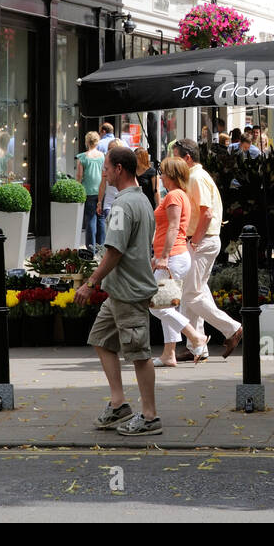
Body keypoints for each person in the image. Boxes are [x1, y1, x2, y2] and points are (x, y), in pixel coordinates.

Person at [78, 145, 163, 436]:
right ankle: (118, 404)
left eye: (106, 168)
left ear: (119, 170)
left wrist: (91, 283)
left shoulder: (124, 205)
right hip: (119, 292)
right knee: (101, 338)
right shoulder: (142, 201)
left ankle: (150, 416)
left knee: (139, 354)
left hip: (129, 292)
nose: (103, 174)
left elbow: (114, 250)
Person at [172, 139, 243, 358]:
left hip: (202, 239)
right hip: (202, 239)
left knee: (191, 294)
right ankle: (197, 346)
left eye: (176, 157)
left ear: (187, 158)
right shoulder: (197, 176)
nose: (173, 162)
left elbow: (206, 213)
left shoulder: (195, 177)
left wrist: (194, 241)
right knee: (195, 291)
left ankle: (231, 328)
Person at [148, 156, 210, 367]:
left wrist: (163, 256)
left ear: (171, 175)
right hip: (174, 256)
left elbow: (173, 227)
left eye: (163, 172)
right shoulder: (179, 194)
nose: (161, 176)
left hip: (173, 257)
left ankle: (195, 337)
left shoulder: (174, 196)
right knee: (167, 305)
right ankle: (169, 354)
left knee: (156, 306)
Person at [76, 132, 105, 248]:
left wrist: (78, 190)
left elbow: (79, 176)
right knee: (101, 219)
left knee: (90, 220)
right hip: (101, 191)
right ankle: (101, 248)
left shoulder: (82, 157)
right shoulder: (103, 156)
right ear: (97, 142)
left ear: (87, 142)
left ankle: (90, 249)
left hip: (88, 191)